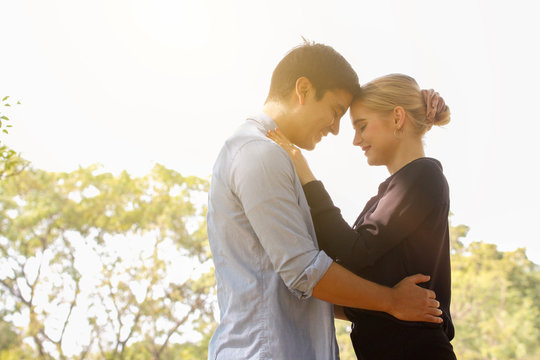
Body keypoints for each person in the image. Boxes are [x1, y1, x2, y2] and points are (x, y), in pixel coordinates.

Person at [207, 43, 442, 360]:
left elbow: (301, 283)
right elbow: (305, 272)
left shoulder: (272, 156)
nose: (336, 129)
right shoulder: (258, 154)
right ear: (303, 89)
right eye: (336, 112)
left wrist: (391, 304)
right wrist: (391, 301)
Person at [267, 73, 456, 359]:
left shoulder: (423, 177)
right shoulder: (388, 194)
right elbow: (362, 278)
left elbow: (354, 251)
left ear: (397, 118)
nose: (356, 140)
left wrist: (303, 172)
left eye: (362, 126)